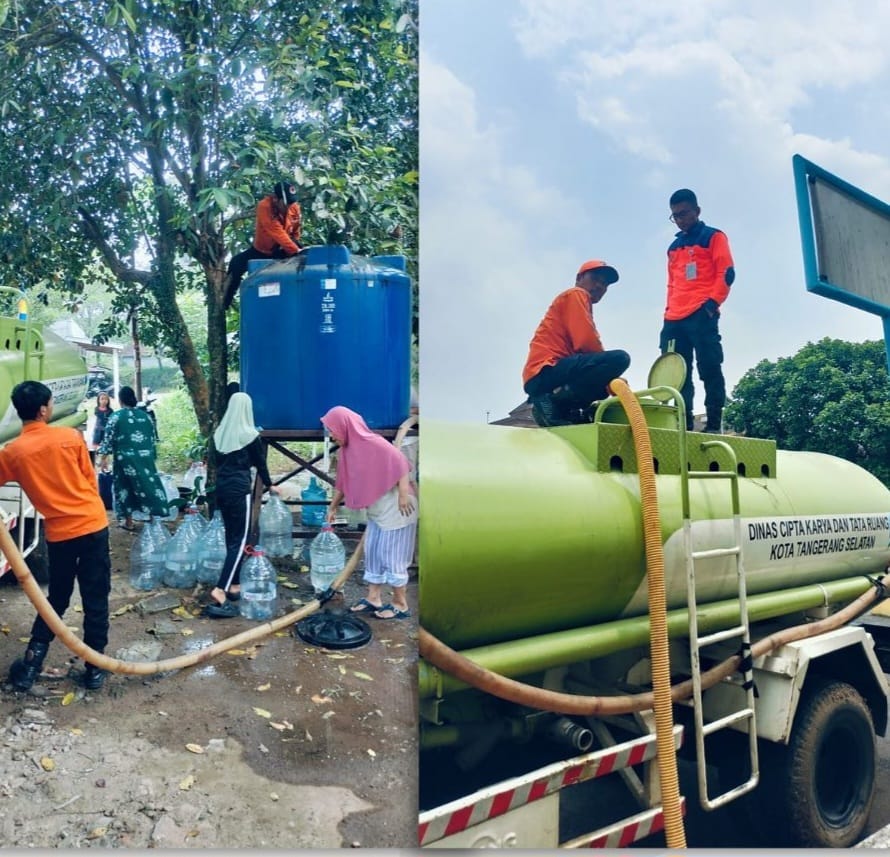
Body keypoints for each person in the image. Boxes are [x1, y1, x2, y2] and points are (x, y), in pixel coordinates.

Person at [2, 381, 112, 691]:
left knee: (57, 598)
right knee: (95, 596)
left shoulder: (13, 452)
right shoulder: (70, 437)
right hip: (92, 525)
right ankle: (95, 668)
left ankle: (31, 664)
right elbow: (90, 483)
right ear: (43, 409)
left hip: (60, 535)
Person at [322, 405, 417, 621]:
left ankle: (400, 604)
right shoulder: (347, 451)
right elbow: (342, 483)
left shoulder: (372, 442)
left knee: (391, 556)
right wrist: (333, 506)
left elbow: (401, 462)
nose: (332, 435)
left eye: (332, 430)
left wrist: (403, 494)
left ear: (345, 426)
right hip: (378, 511)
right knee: (373, 552)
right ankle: (373, 598)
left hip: (398, 508)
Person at [660, 188, 735, 433]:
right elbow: (672, 283)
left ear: (697, 211)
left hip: (701, 313)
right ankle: (684, 423)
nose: (681, 219)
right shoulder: (673, 247)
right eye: (675, 216)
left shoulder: (713, 237)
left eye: (684, 213)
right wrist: (667, 313)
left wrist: (712, 305)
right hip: (673, 319)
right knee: (678, 374)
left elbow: (727, 273)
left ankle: (713, 424)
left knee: (709, 367)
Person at [522, 260, 631, 427]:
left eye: (604, 284)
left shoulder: (577, 301)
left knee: (602, 388)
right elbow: (586, 340)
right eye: (595, 278)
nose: (600, 286)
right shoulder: (576, 294)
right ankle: (549, 400)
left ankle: (564, 410)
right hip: (545, 371)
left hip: (549, 375)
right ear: (579, 278)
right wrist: (612, 376)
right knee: (620, 359)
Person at [204, 391, 277, 619]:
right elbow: (260, 464)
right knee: (241, 540)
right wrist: (270, 484)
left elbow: (215, 462)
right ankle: (221, 589)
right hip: (239, 491)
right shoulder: (250, 435)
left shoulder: (219, 434)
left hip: (222, 490)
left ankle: (235, 584)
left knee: (231, 538)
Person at [97, 386, 169, 531]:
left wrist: (103, 459)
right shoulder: (146, 416)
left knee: (125, 487)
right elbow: (153, 437)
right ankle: (152, 517)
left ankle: (128, 522)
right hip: (145, 457)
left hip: (125, 460)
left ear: (120, 399)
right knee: (148, 484)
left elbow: (107, 440)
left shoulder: (116, 416)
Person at [224, 180, 303, 309]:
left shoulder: (294, 206)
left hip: (284, 248)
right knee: (236, 264)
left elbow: (295, 231)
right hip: (262, 251)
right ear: (276, 199)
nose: (289, 206)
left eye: (291, 203)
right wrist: (294, 250)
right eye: (286, 203)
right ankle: (225, 303)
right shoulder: (264, 207)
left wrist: (296, 251)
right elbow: (276, 232)